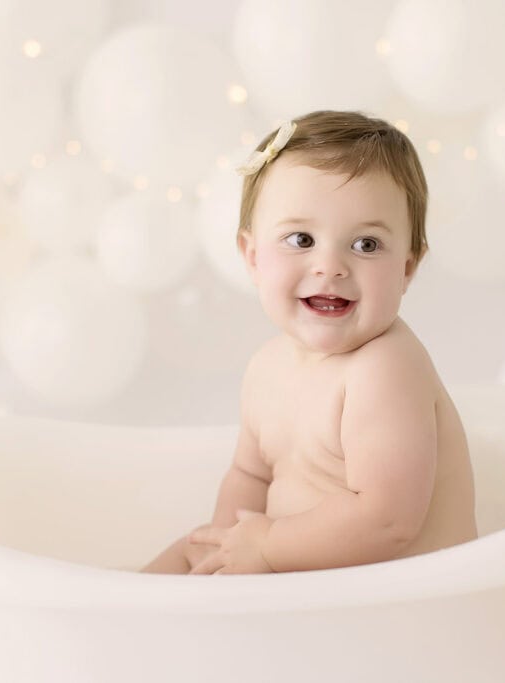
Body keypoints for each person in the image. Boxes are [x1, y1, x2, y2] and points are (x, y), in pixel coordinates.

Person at [141, 110, 477, 575]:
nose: (330, 266)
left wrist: (267, 547)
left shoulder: (386, 367)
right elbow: (250, 475)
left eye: (365, 245)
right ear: (252, 257)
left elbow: (388, 520)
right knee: (183, 556)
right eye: (301, 239)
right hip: (300, 578)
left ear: (406, 269)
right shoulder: (266, 367)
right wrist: (225, 548)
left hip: (397, 596)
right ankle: (104, 619)